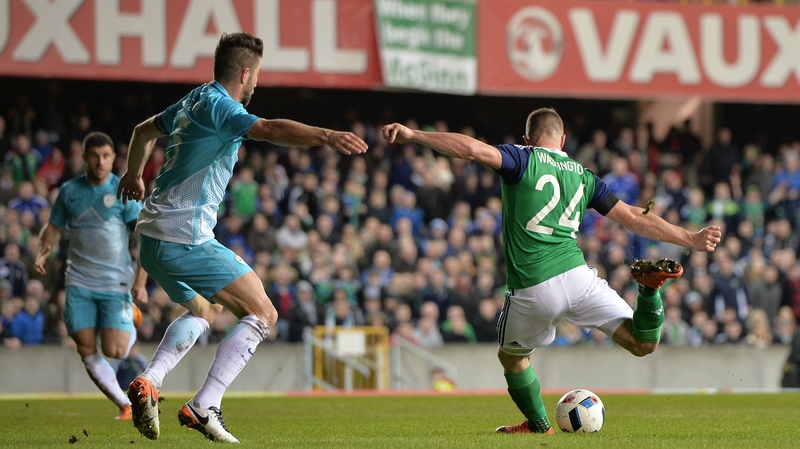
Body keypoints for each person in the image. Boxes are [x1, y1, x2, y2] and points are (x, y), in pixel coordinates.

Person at [382, 108, 721, 435]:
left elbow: (470, 149)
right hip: (577, 278)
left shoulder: (521, 158)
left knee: (512, 358)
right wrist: (689, 237)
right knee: (643, 342)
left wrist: (414, 135)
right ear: (563, 140)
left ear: (527, 137)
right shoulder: (584, 176)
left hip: (533, 286)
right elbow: (634, 216)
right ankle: (648, 291)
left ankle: (538, 424)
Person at [116, 32, 367, 443]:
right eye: (258, 75)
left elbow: (143, 131)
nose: (257, 84)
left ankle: (149, 380)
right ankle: (205, 405)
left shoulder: (193, 99)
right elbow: (267, 128)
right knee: (264, 313)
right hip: (185, 236)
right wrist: (326, 135)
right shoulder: (221, 106)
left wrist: (132, 174)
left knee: (203, 311)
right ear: (246, 73)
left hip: (151, 239)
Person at [34, 131, 148, 420]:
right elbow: (54, 226)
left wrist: (140, 281)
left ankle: (130, 313)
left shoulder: (123, 191)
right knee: (85, 347)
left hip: (116, 281)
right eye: (94, 156)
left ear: (113, 158)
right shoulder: (70, 192)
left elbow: (144, 237)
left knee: (117, 351)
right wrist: (44, 250)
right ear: (84, 158)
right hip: (79, 281)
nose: (100, 162)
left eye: (106, 156)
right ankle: (124, 404)